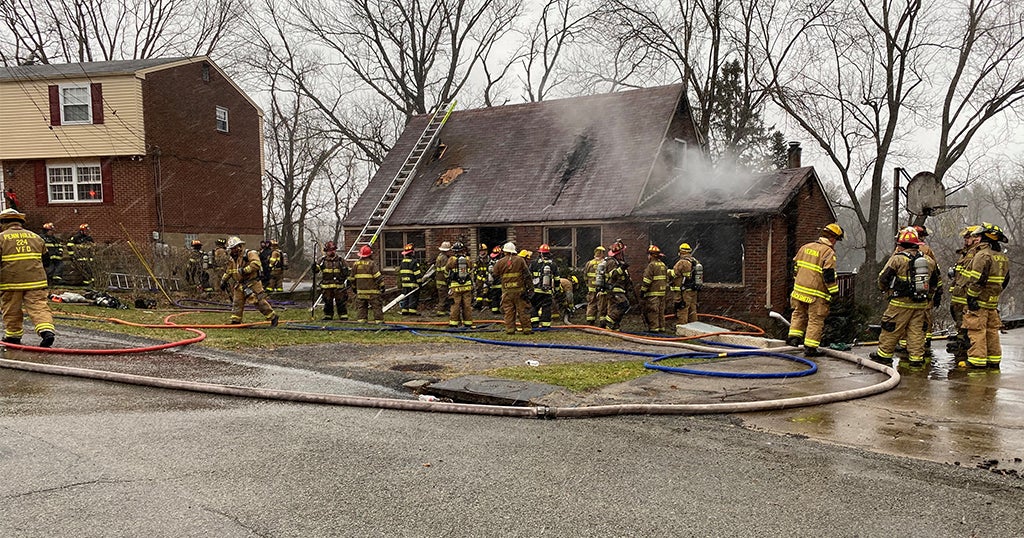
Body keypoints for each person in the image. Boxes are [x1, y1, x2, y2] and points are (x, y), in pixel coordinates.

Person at [868, 227, 940, 365]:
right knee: (916, 331)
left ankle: (884, 355)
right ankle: (916, 359)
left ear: (901, 245)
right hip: (920, 304)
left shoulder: (897, 259)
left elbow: (883, 278)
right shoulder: (928, 261)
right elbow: (935, 282)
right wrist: (929, 296)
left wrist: (885, 291)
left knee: (891, 328)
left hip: (899, 303)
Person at [0, 209, 56, 347]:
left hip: (11, 283)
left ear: (3, 223)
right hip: (36, 282)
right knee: (39, 306)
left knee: (11, 309)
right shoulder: (36, 237)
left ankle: (13, 336)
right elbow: (46, 261)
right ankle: (46, 331)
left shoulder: (1, 238)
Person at [787, 223, 843, 356]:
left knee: (798, 314)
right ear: (832, 238)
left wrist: (799, 282)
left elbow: (795, 268)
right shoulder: (828, 252)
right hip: (816, 295)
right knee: (815, 319)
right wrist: (834, 293)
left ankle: (793, 339)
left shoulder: (805, 247)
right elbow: (828, 276)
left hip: (799, 291)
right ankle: (810, 348)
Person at [962, 223, 1010, 369]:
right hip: (992, 301)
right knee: (992, 331)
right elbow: (1005, 280)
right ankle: (993, 359)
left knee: (977, 330)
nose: (977, 238)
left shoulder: (983, 255)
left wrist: (971, 297)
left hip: (980, 300)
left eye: (979, 235)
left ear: (986, 237)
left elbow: (977, 279)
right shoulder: (1002, 256)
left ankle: (976, 360)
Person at [221, 236, 279, 326]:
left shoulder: (250, 253)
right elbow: (229, 271)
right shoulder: (232, 259)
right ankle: (236, 320)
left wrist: (245, 270)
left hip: (252, 283)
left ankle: (273, 317)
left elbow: (256, 264)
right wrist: (223, 280)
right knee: (237, 303)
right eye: (231, 249)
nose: (233, 250)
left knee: (259, 302)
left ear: (239, 247)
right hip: (239, 285)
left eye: (234, 248)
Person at [947, 225, 983, 357]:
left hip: (966, 293)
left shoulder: (977, 253)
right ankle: (961, 340)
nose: (965, 240)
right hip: (959, 293)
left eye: (968, 237)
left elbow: (973, 276)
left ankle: (965, 344)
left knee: (967, 319)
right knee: (959, 318)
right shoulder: (967, 252)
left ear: (976, 238)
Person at [491, 241, 532, 335]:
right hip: (519, 291)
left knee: (508, 311)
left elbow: (494, 275)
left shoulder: (500, 262)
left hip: (506, 292)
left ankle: (510, 329)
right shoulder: (520, 260)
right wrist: (530, 288)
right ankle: (527, 329)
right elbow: (527, 275)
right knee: (523, 311)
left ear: (505, 251)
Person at [313, 241, 350, 320]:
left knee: (341, 302)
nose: (332, 252)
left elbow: (348, 271)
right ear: (326, 251)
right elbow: (316, 270)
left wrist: (347, 277)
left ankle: (343, 316)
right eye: (330, 250)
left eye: (333, 250)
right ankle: (328, 316)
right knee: (328, 302)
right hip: (327, 286)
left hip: (339, 286)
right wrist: (314, 267)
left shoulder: (341, 260)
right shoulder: (322, 260)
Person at [600, 241, 631, 331]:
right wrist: (622, 269)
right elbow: (612, 275)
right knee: (623, 305)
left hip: (620, 289)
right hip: (614, 289)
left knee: (614, 307)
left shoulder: (619, 262)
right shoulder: (611, 262)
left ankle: (614, 326)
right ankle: (608, 322)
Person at [351, 245, 385, 323]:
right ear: (370, 254)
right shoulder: (372, 264)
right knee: (376, 306)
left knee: (361, 307)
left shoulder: (355, 264)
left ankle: (362, 320)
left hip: (360, 291)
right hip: (372, 292)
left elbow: (352, 278)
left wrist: (354, 288)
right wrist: (382, 286)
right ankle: (379, 321)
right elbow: (378, 277)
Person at [670, 243, 701, 325]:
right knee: (692, 309)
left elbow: (674, 274)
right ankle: (694, 326)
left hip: (684, 291)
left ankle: (682, 326)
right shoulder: (695, 261)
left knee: (682, 309)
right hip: (693, 290)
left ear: (681, 252)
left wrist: (667, 272)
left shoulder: (682, 262)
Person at [445, 241, 475, 328]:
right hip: (467, 286)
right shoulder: (468, 259)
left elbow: (446, 271)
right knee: (467, 305)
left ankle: (454, 323)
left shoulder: (451, 260)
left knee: (455, 305)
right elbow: (472, 269)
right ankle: (468, 323)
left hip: (455, 287)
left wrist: (448, 279)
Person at [640, 245, 668, 332]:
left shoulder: (651, 265)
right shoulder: (663, 265)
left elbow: (647, 280)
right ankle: (661, 327)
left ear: (651, 256)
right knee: (660, 311)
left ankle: (654, 328)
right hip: (662, 293)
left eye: (649, 255)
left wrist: (643, 291)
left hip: (653, 293)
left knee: (653, 311)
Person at [529, 243, 559, 328]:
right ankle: (545, 325)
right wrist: (557, 289)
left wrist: (529, 288)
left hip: (535, 291)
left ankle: (534, 324)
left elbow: (528, 276)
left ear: (540, 253)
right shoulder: (553, 265)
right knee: (546, 308)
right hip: (547, 291)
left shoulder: (534, 263)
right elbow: (557, 279)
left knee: (534, 306)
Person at [583, 246, 606, 325]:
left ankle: (590, 320)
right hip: (601, 288)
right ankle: (602, 321)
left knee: (592, 303)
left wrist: (588, 284)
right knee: (602, 304)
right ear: (602, 253)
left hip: (591, 288)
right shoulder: (604, 263)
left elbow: (585, 275)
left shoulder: (589, 263)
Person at [397, 243, 423, 315]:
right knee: (413, 297)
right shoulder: (414, 262)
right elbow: (417, 273)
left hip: (404, 284)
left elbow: (400, 273)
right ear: (412, 253)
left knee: (405, 297)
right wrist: (420, 283)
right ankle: (412, 312)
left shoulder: (402, 262)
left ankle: (404, 311)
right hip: (412, 284)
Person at [434, 241, 452, 315]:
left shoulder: (439, 256)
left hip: (439, 279)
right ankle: (441, 311)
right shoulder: (444, 258)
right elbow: (445, 270)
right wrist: (448, 278)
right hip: (443, 280)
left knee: (441, 295)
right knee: (443, 296)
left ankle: (442, 310)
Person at [473, 243, 490, 311]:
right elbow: (475, 269)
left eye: (483, 251)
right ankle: (479, 304)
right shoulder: (478, 259)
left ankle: (487, 304)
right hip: (479, 279)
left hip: (487, 278)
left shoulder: (488, 259)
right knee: (479, 291)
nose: (482, 252)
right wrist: (475, 278)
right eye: (480, 251)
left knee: (487, 291)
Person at [487, 246, 503, 315]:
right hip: (499, 282)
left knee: (494, 297)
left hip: (492, 283)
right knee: (500, 297)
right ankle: (498, 309)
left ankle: (494, 309)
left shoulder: (490, 262)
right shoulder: (500, 262)